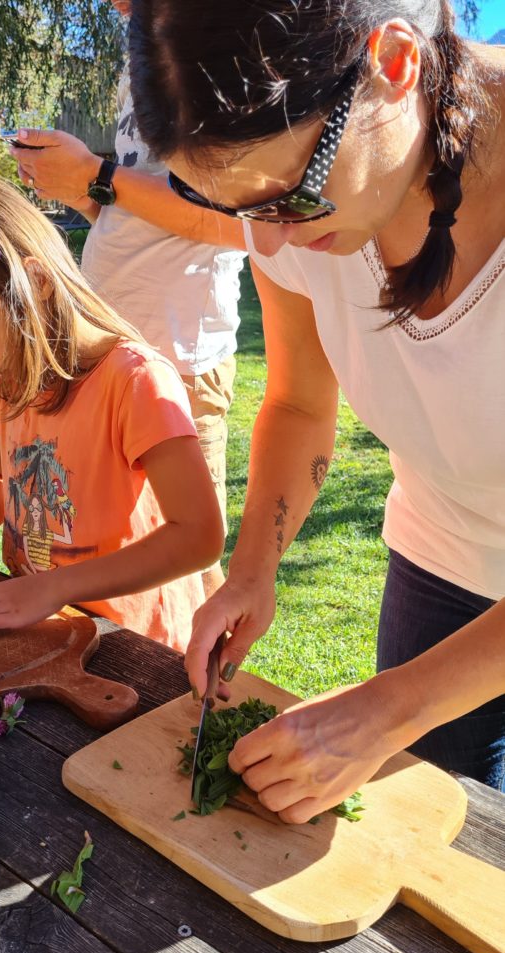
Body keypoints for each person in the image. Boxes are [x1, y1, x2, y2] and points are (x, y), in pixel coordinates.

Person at [126, 0, 505, 820]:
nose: (268, 245)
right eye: (236, 208)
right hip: (444, 557)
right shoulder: (292, 223)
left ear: (394, 66)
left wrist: (386, 709)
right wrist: (254, 567)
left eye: (288, 198)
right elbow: (299, 400)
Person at [9, 0, 245, 597]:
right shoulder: (139, 50)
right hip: (100, 353)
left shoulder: (224, 42)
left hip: (176, 357)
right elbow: (135, 211)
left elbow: (236, 219)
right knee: (88, 549)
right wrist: (82, 191)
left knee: (188, 574)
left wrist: (98, 175)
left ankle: (200, 689)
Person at [0, 174, 224, 651]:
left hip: (132, 646)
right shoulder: (7, 376)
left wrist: (55, 587)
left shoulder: (135, 380)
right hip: (45, 627)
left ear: (35, 283)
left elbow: (200, 536)